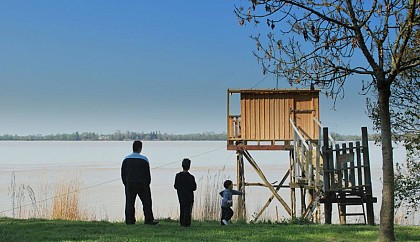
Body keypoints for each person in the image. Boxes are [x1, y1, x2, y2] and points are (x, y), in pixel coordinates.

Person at [121, 140, 158, 225]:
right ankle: (149, 220)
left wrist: (126, 183)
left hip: (130, 183)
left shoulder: (126, 159)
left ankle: (130, 220)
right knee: (147, 202)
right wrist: (148, 183)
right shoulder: (144, 159)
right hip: (142, 184)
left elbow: (123, 173)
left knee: (129, 203)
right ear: (140, 148)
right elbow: (147, 174)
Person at [174, 158, 197, 227]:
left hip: (181, 195)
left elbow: (175, 186)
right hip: (189, 196)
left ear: (182, 165)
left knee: (182, 208)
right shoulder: (191, 177)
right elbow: (194, 188)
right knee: (188, 209)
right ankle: (186, 223)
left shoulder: (178, 176)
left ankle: (182, 222)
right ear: (189, 166)